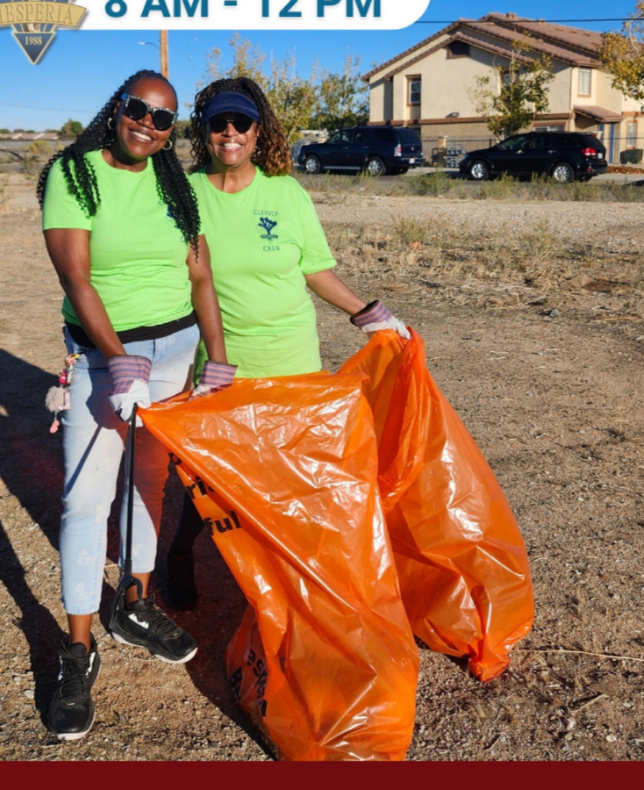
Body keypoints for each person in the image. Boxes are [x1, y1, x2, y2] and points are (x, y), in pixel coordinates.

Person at [35, 69, 234, 742]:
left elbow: (200, 273)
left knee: (147, 482)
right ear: (117, 106)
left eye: (163, 118)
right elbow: (76, 277)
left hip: (176, 353)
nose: (147, 124)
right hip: (104, 358)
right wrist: (119, 359)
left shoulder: (173, 184)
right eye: (138, 109)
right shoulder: (76, 173)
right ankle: (78, 648)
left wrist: (217, 353)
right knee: (86, 498)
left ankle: (135, 604)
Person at [158, 77, 407, 608]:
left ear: (257, 132)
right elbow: (168, 274)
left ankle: (289, 579)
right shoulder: (186, 193)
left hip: (295, 360)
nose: (230, 133)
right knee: (212, 476)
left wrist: (367, 313)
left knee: (296, 476)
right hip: (225, 364)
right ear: (205, 132)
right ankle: (177, 554)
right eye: (219, 124)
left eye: (241, 124)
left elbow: (314, 269)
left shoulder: (286, 191)